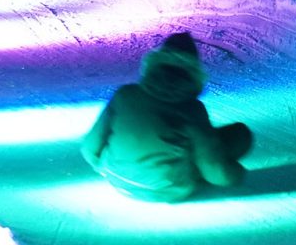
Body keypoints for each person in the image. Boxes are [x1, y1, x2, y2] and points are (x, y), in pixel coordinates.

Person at [80, 31, 253, 202]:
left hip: (116, 180)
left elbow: (90, 146)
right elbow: (214, 169)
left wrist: (108, 169)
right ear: (192, 72)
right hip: (166, 189)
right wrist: (235, 174)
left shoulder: (126, 94)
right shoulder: (191, 109)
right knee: (238, 135)